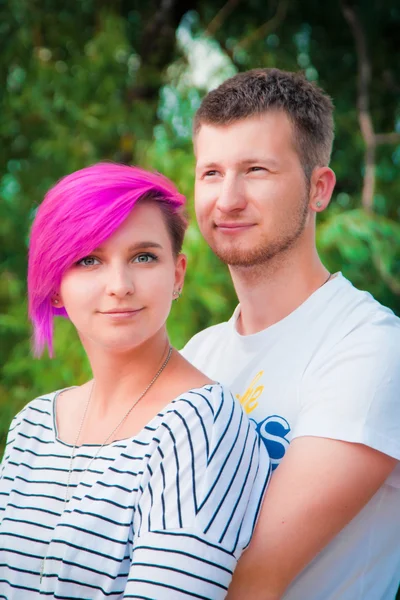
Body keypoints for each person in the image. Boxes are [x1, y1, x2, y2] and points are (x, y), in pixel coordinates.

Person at [0, 163, 270, 599]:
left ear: (177, 274)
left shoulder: (200, 425)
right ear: (54, 286)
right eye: (89, 260)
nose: (119, 285)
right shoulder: (31, 427)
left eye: (143, 257)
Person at [182, 68, 400, 600]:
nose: (227, 199)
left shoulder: (372, 347)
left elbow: (255, 578)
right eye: (211, 173)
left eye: (256, 170)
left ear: (318, 189)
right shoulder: (197, 354)